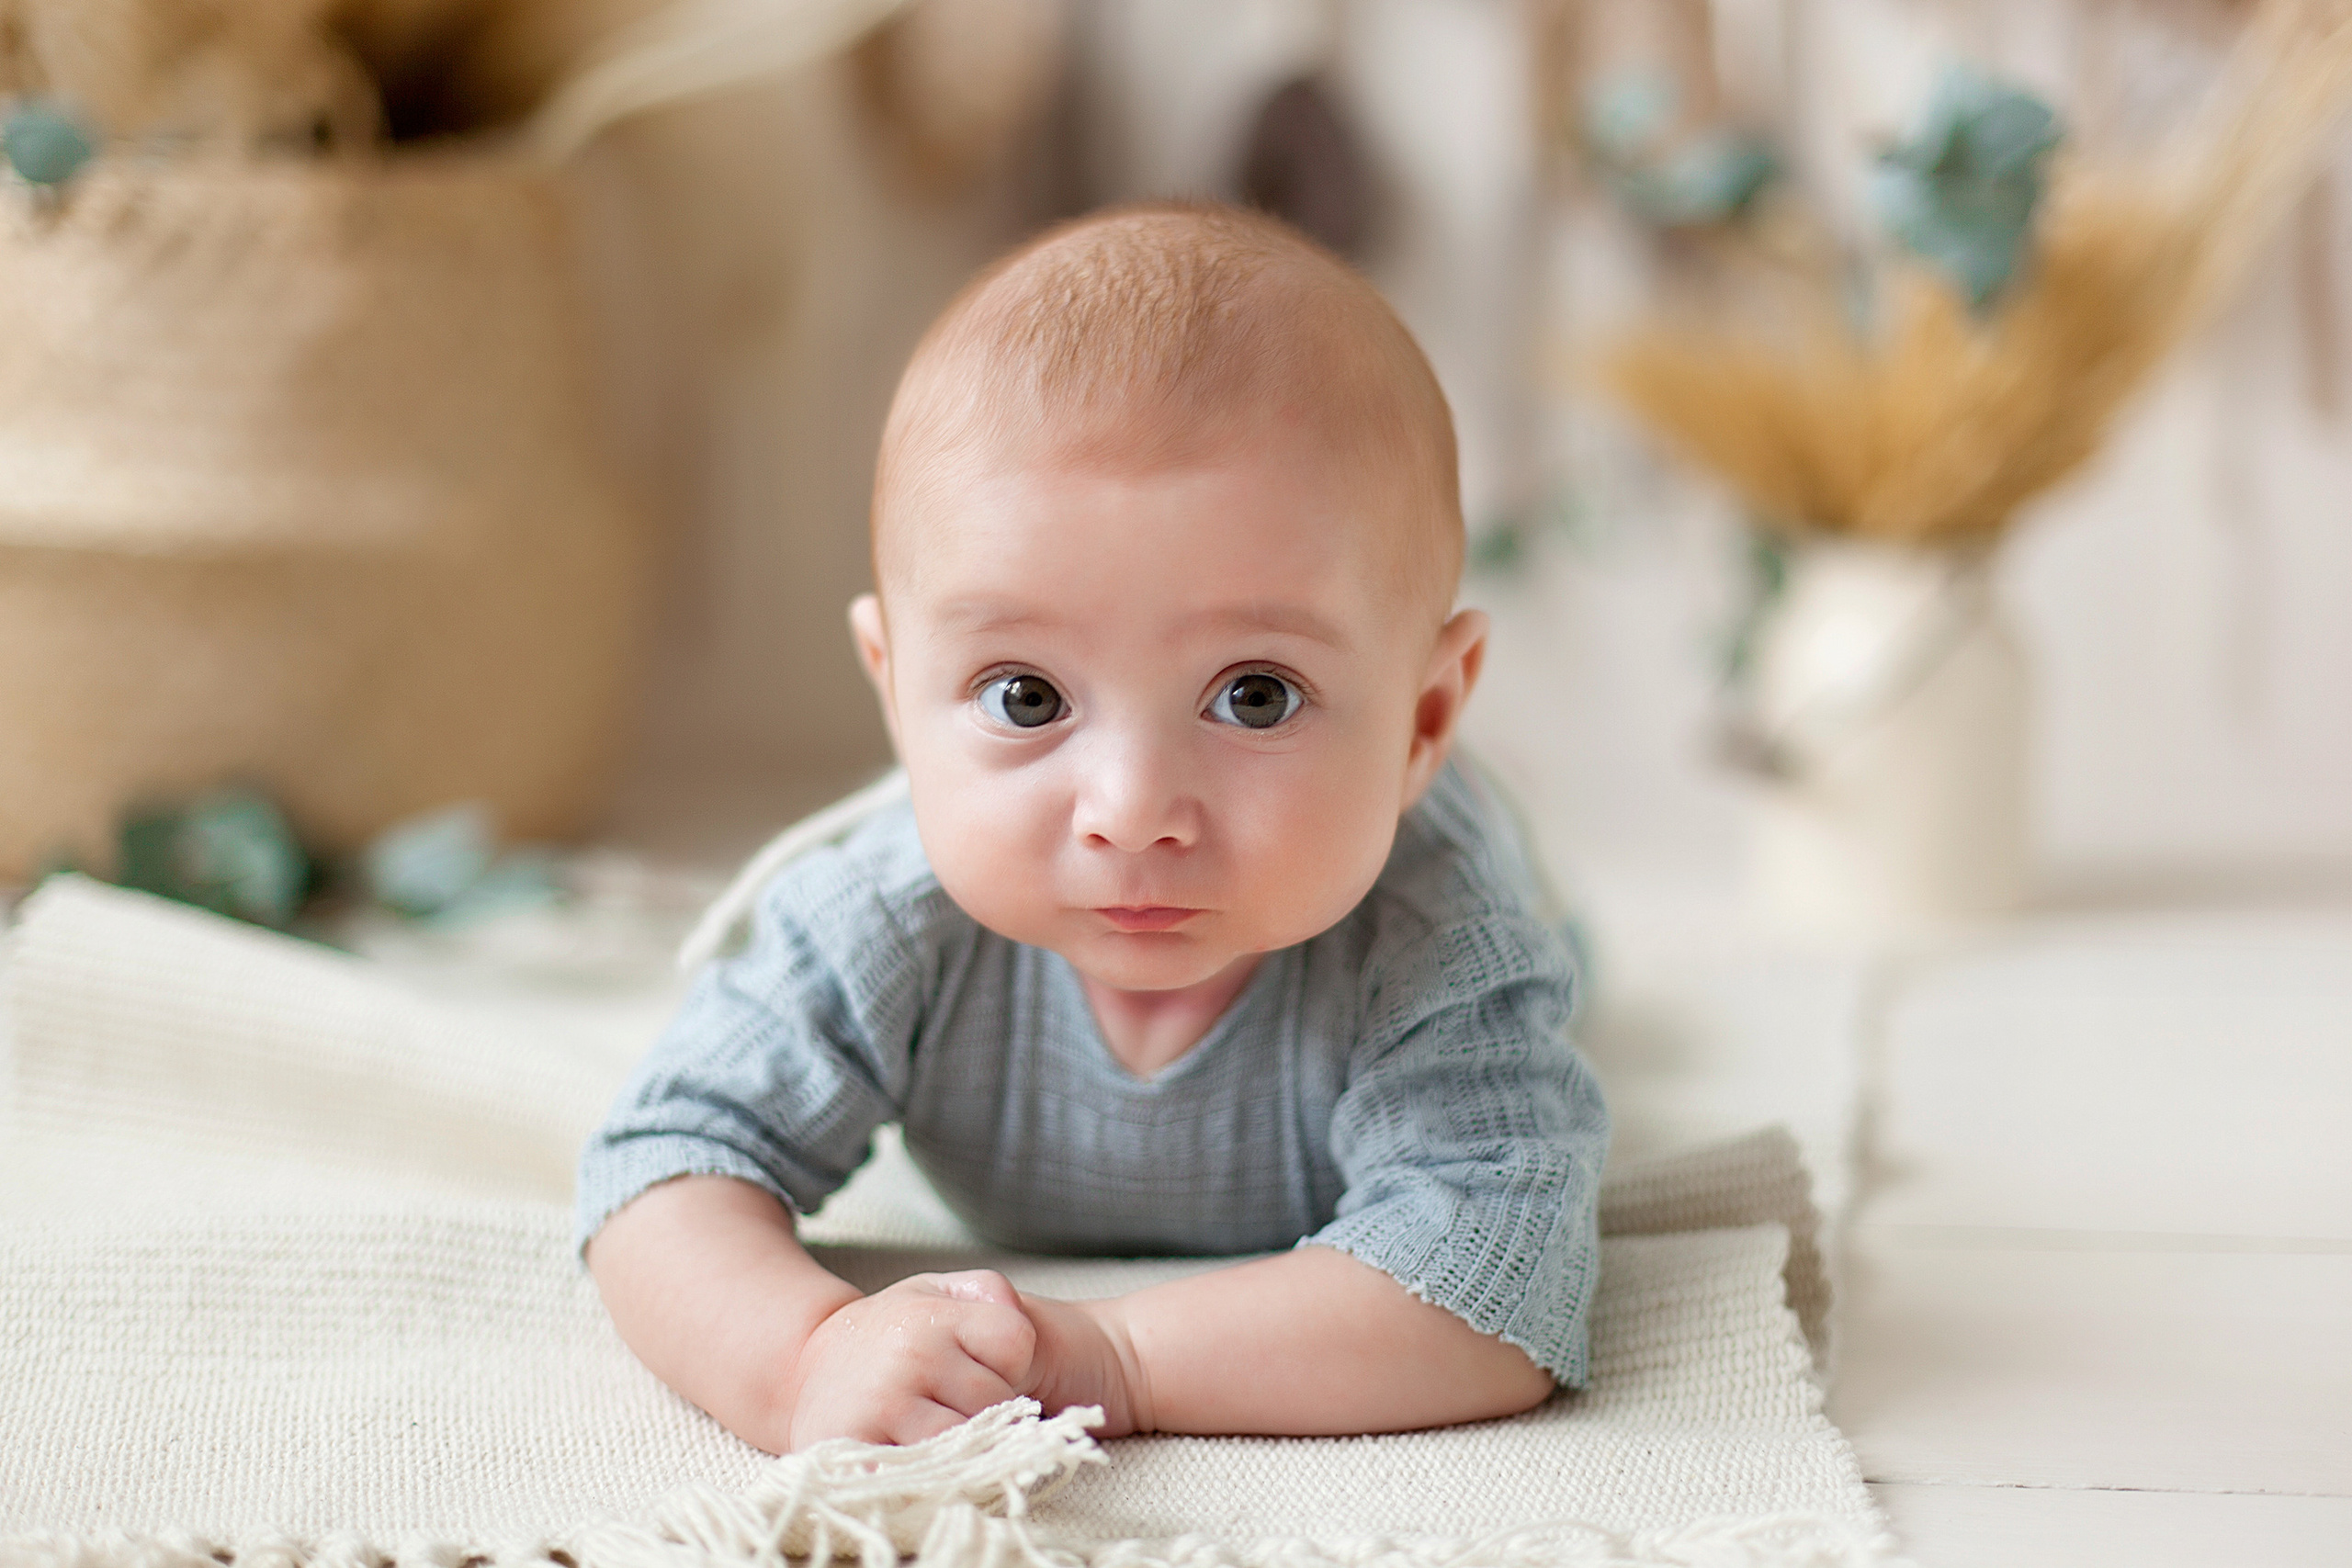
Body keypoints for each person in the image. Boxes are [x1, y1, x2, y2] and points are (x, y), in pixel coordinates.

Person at [576, 202, 1609, 1455]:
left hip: (1486, 886)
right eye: (1028, 698)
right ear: (895, 689)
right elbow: (659, 1165)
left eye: (1255, 696)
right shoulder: (881, 914)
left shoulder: (1442, 943)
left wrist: (1115, 1357)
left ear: (1423, 718)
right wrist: (801, 1363)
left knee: (1564, 993)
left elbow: (1493, 1291)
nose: (1130, 813)